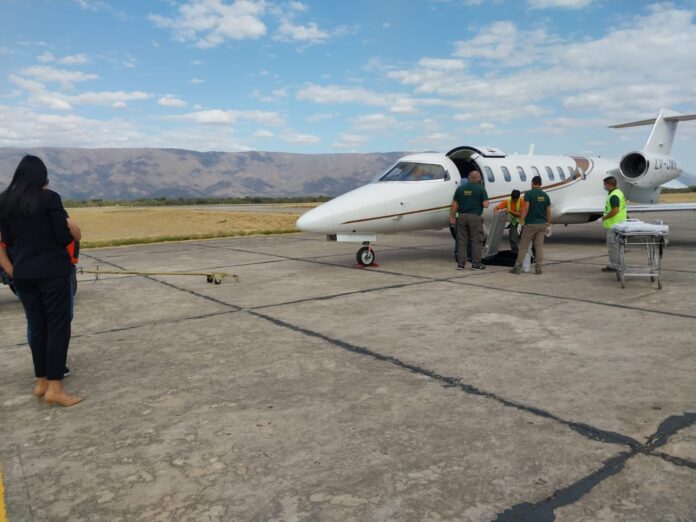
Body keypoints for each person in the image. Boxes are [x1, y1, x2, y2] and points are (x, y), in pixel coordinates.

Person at [0, 155, 83, 407]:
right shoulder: (49, 198)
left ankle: (42, 382)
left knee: (37, 327)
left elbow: (9, 239)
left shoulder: (4, 201)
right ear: (42, 178)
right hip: (52, 272)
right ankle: (56, 389)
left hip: (24, 274)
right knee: (57, 328)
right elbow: (63, 237)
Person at [510, 176, 551, 275]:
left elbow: (526, 209)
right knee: (539, 246)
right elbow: (548, 212)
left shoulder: (528, 194)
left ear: (532, 183)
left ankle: (517, 268)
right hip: (542, 225)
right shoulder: (545, 195)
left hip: (530, 225)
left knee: (523, 247)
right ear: (540, 184)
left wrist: (521, 222)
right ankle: (538, 268)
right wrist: (548, 224)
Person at [450, 170, 489, 270]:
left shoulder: (460, 189)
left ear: (468, 178)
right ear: (478, 179)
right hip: (474, 217)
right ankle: (476, 264)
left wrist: (452, 217)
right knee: (476, 240)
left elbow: (454, 205)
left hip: (461, 217)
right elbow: (486, 205)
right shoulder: (481, 189)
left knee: (462, 241)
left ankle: (461, 264)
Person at [600, 176, 627, 272]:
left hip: (614, 226)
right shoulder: (618, 192)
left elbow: (615, 210)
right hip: (618, 224)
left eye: (605, 184)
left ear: (609, 184)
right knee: (617, 247)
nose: (604, 186)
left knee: (613, 247)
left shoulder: (613, 195)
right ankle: (619, 265)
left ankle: (615, 266)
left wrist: (605, 217)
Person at [494, 189, 522, 254]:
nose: (514, 201)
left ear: (518, 198)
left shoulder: (522, 202)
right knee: (513, 237)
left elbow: (521, 214)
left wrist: (510, 211)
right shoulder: (507, 201)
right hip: (515, 221)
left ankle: (526, 253)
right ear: (511, 196)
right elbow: (495, 208)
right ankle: (515, 252)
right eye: (513, 199)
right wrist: (496, 214)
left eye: (515, 200)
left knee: (526, 239)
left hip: (524, 221)